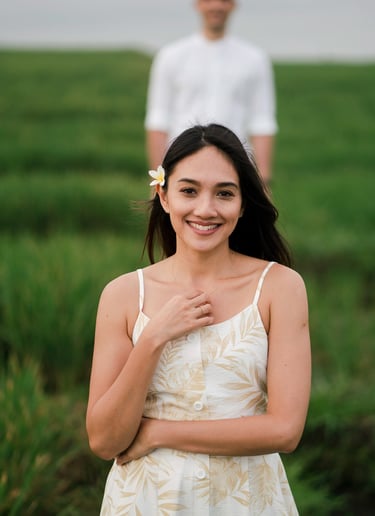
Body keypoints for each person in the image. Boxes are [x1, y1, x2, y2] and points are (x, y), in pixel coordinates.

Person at [86, 124, 311, 515]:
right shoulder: (123, 296)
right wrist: (154, 338)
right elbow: (105, 441)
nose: (205, 209)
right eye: (189, 190)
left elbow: (285, 430)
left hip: (247, 501)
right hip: (146, 502)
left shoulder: (279, 288)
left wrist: (159, 432)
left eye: (224, 193)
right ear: (164, 195)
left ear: (243, 204)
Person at [145, 0, 278, 185]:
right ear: (197, 4)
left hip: (235, 164)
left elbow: (262, 121)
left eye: (224, 1)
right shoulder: (171, 56)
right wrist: (159, 179)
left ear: (233, 5)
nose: (216, 6)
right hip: (181, 163)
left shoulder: (255, 59)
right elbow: (158, 119)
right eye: (208, 0)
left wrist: (263, 179)